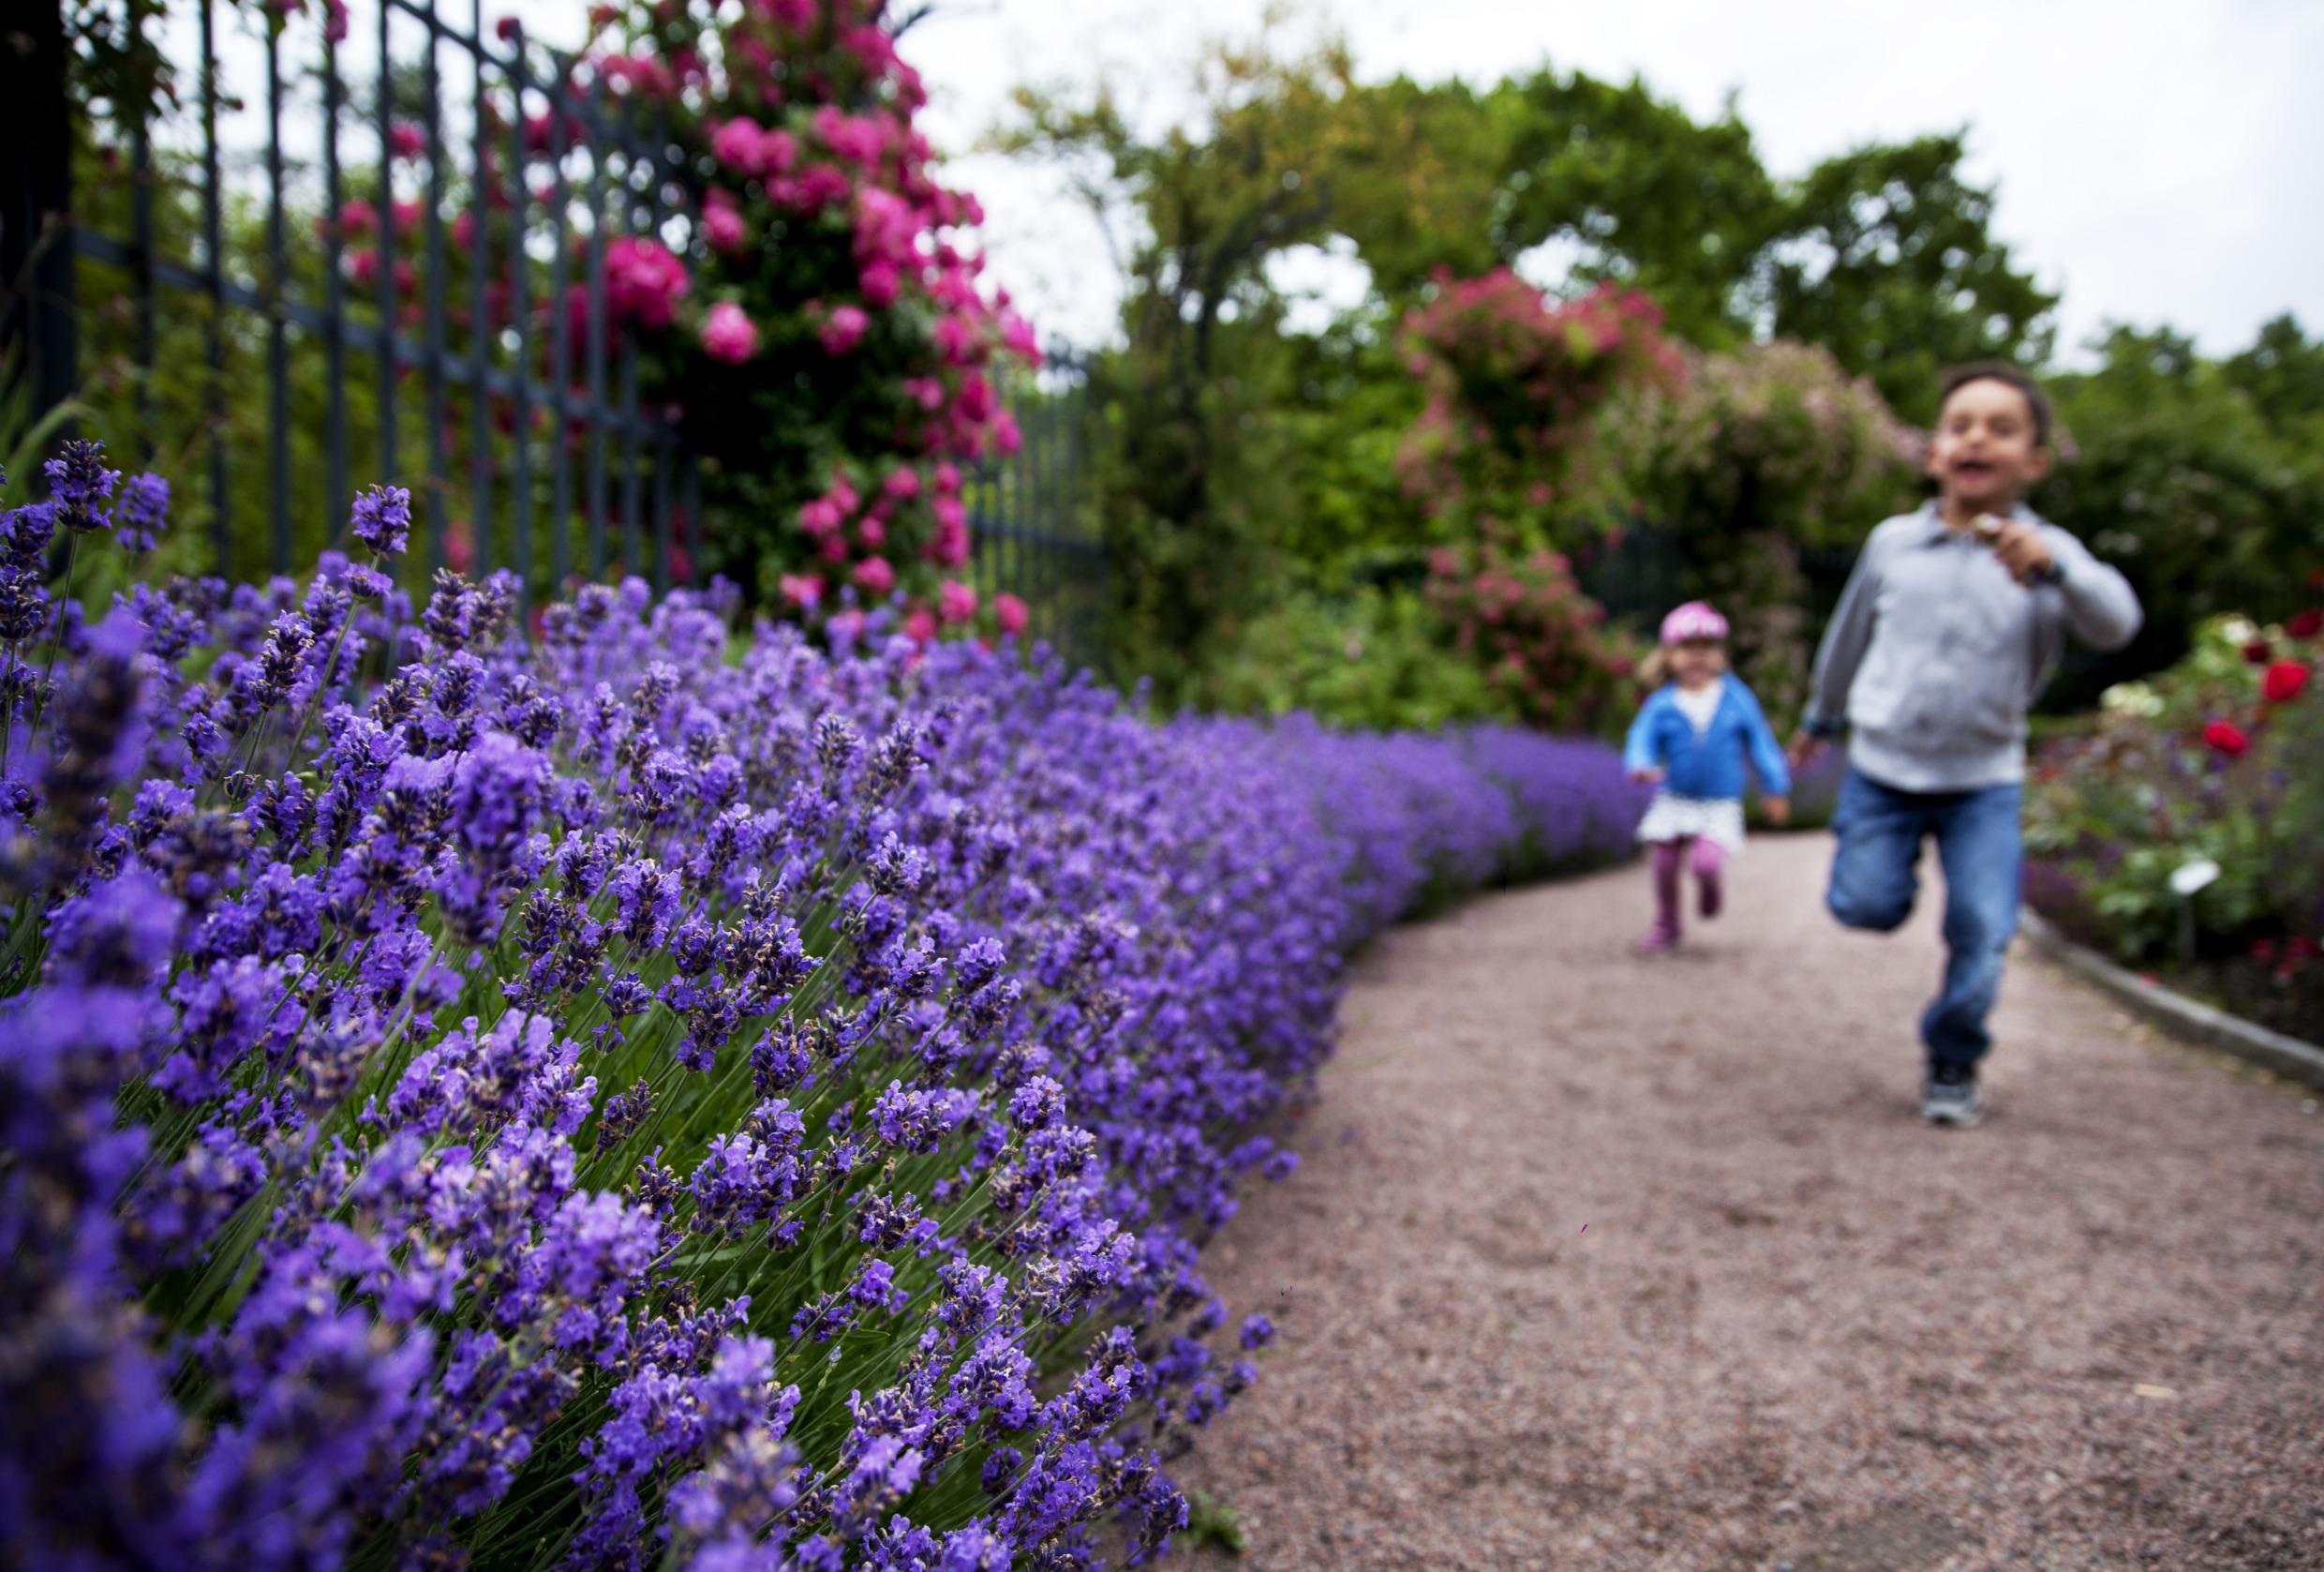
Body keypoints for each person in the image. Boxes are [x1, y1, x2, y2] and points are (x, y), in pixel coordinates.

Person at [1789, 362, 2141, 1128]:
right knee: (1865, 903)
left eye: (2001, 428)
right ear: (1933, 452)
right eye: (1960, 425)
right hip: (1884, 769)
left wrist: (2055, 572)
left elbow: (2117, 623)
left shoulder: (2047, 554)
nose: (1977, 438)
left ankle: (1953, 1055)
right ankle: (1891, 872)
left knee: (1984, 928)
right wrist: (1820, 717)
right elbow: (1847, 637)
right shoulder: (1893, 544)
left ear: (2034, 461)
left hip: (1982, 779)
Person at [1623, 601, 1791, 952]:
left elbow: (1761, 743)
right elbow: (1641, 737)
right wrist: (1640, 763)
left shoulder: (1736, 698)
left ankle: (1710, 887)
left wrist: (1775, 787)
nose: (1697, 656)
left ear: (1720, 655)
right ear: (1669, 655)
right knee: (1664, 863)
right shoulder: (1663, 703)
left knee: (1706, 862)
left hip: (1719, 803)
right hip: (1675, 798)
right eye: (1688, 648)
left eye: (1707, 647)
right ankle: (1667, 924)